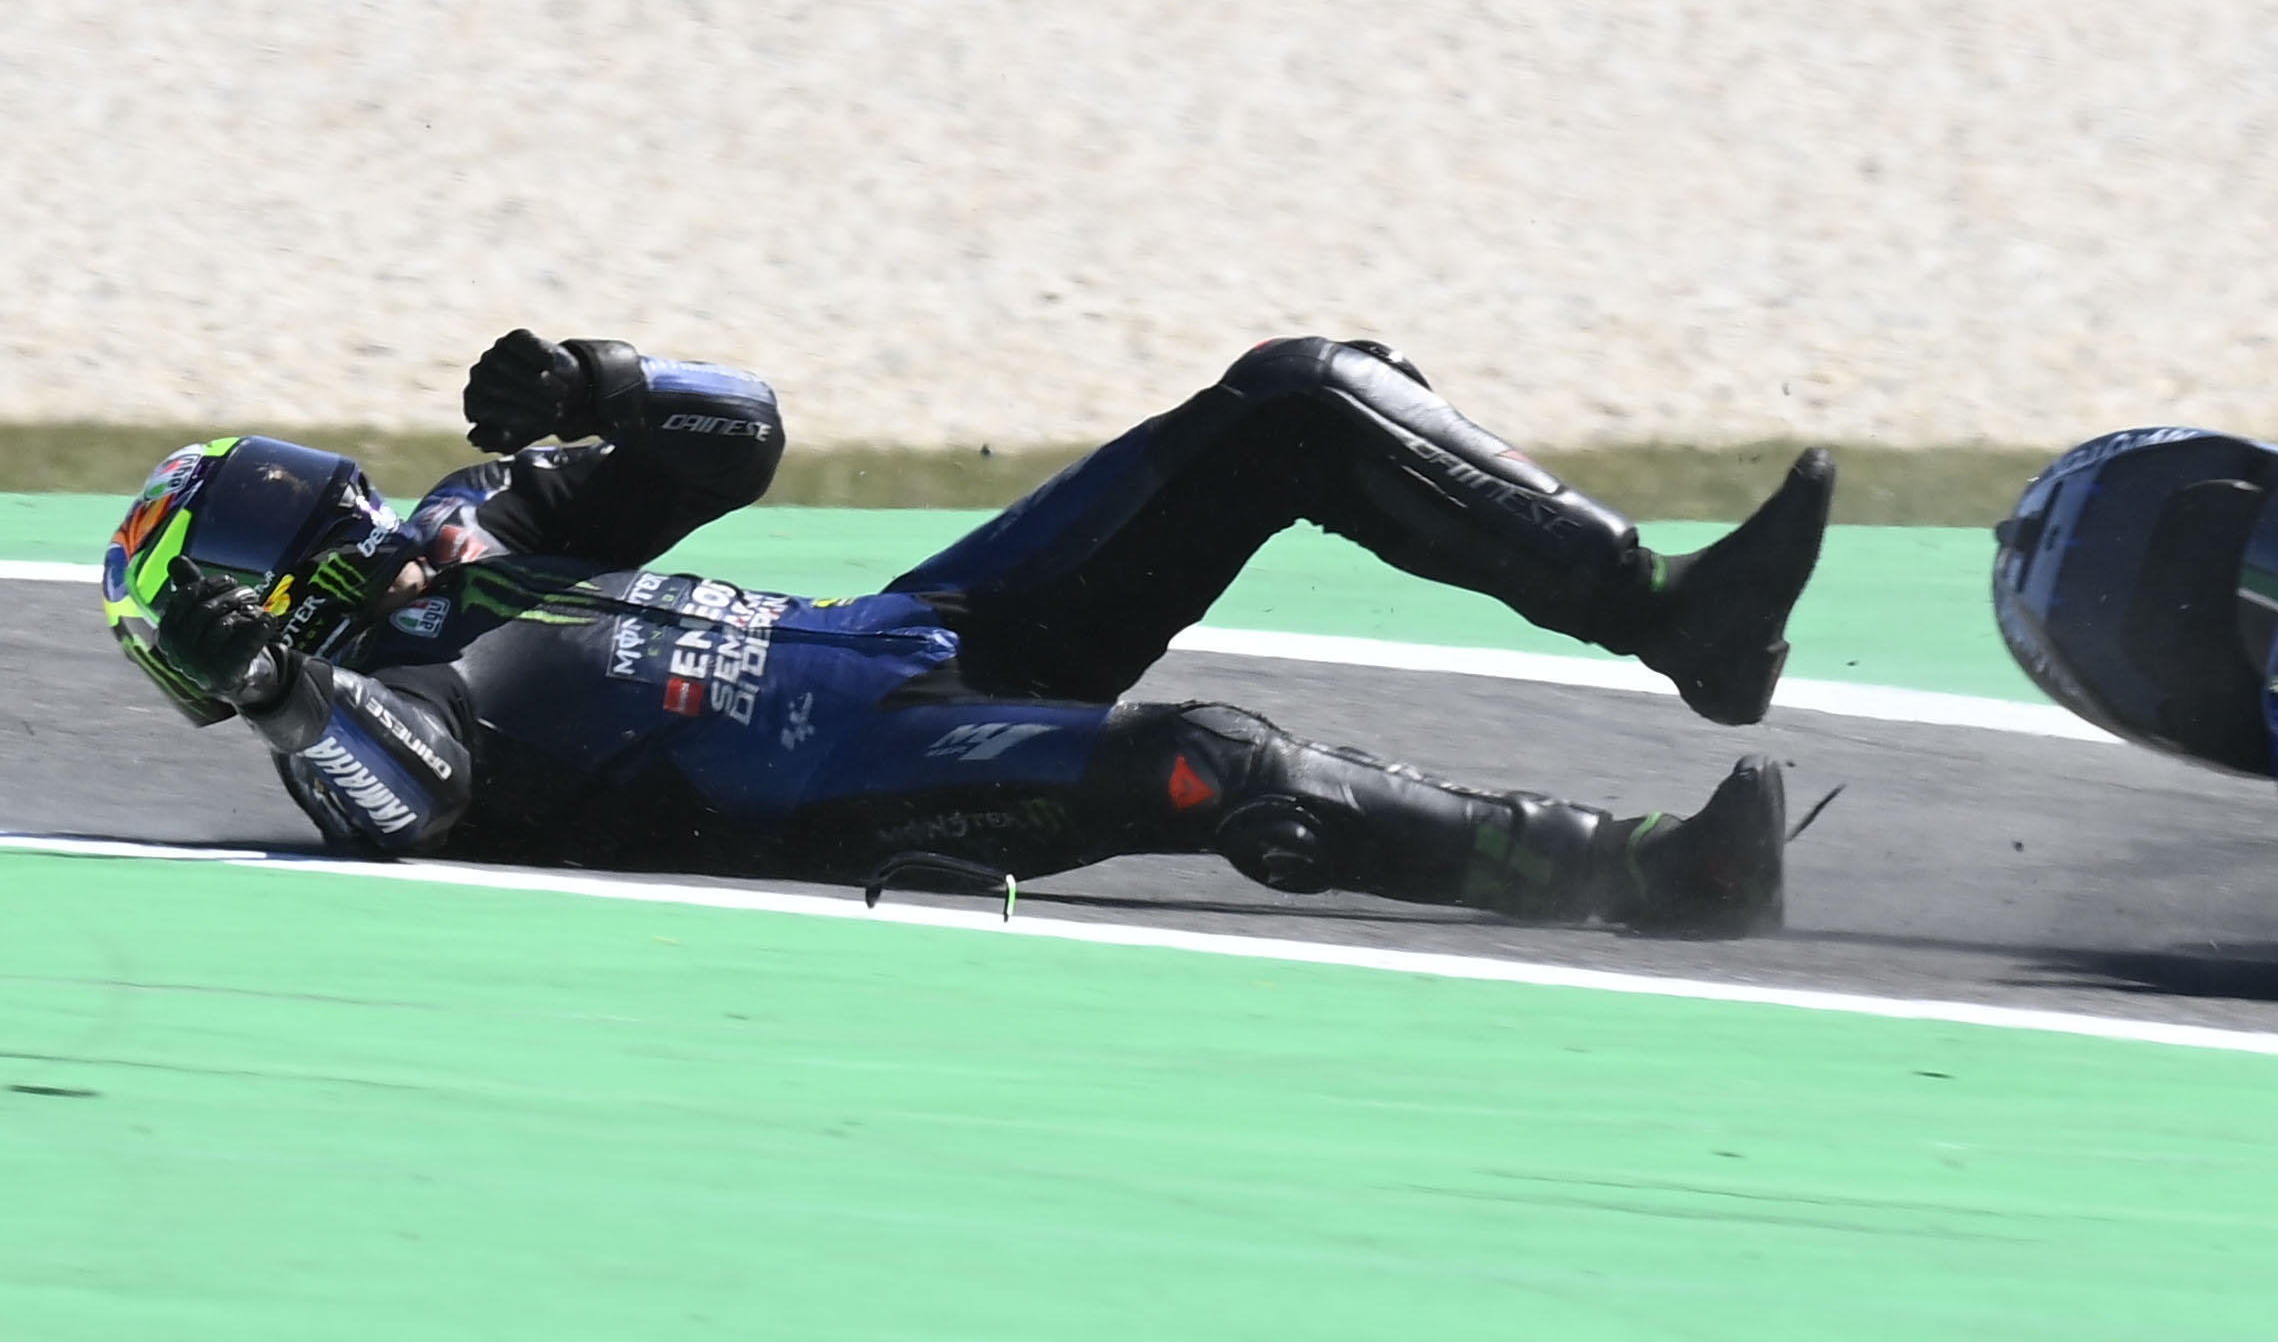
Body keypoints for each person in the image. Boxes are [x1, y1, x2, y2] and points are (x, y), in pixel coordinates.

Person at [101, 333, 1832, 937]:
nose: (371, 518)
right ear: (272, 602)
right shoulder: (385, 709)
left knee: (1294, 398)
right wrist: (283, 695)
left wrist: (601, 383)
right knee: (1216, 762)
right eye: (325, 529)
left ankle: (1672, 613)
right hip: (873, 780)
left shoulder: (480, 542)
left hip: (923, 629)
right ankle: (1656, 875)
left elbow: (740, 437)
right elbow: (402, 803)